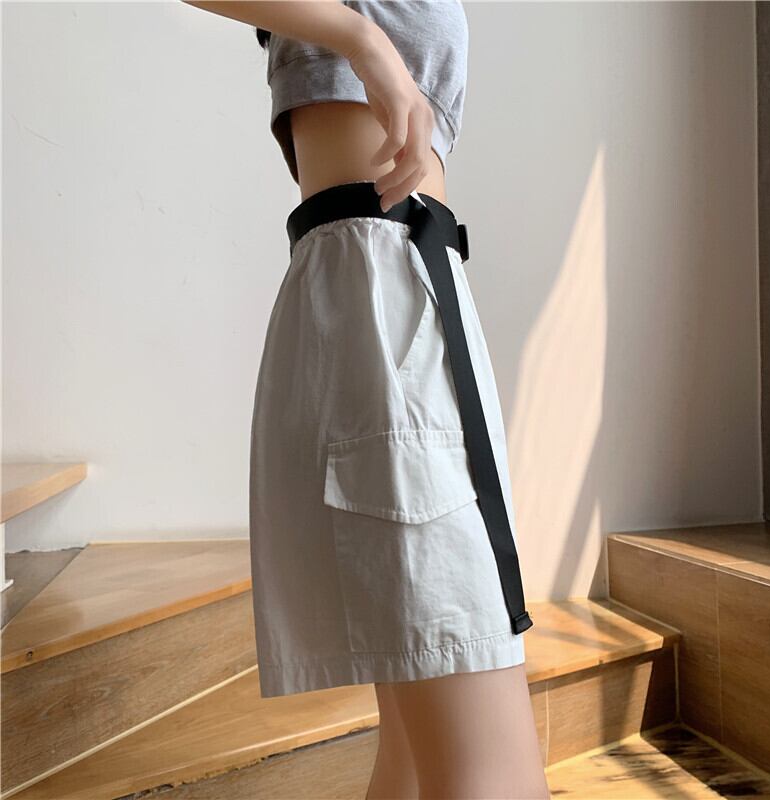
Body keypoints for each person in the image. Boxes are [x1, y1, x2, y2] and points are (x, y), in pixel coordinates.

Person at [180, 2, 551, 798]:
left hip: (405, 285)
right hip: (384, 293)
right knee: (493, 771)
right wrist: (360, 38)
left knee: (417, 760)